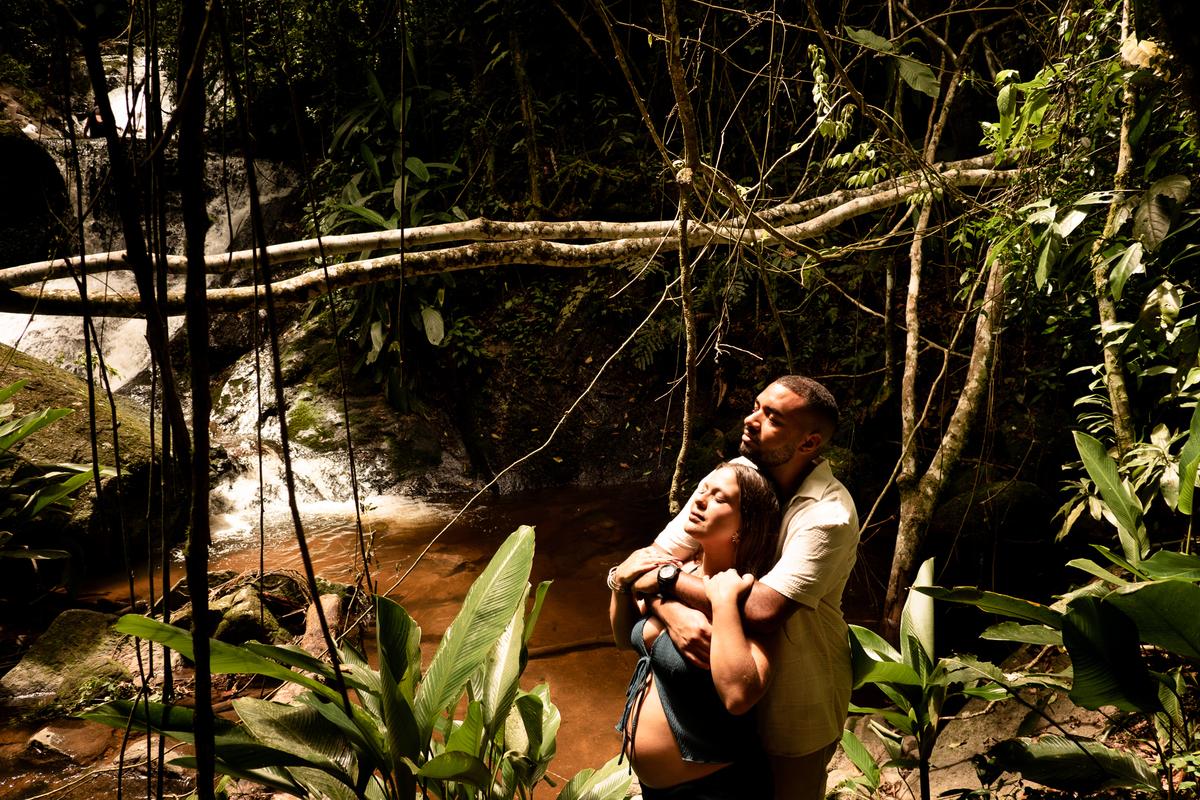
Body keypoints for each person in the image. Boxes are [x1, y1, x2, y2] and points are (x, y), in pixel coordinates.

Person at [631, 376, 859, 800]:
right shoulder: (736, 479)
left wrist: (665, 582)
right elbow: (648, 562)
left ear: (809, 443)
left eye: (772, 418)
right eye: (756, 406)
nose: (752, 420)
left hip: (796, 697)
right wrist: (671, 611)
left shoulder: (828, 514)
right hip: (723, 693)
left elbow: (761, 609)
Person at [609, 462, 782, 799]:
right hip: (655, 788)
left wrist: (724, 603)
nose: (701, 500)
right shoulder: (676, 572)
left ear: (745, 525)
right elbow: (623, 639)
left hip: (719, 788)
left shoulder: (748, 596)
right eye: (702, 490)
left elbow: (738, 696)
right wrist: (621, 584)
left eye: (720, 499)